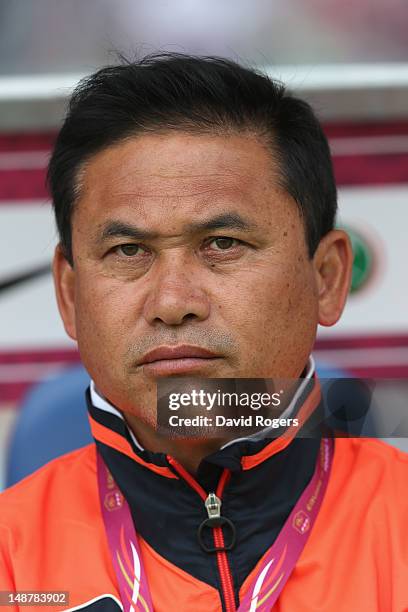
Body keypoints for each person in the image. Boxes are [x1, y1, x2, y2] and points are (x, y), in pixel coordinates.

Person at [0, 53, 406, 612]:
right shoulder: (11, 560)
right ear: (69, 296)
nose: (172, 303)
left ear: (327, 277)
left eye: (222, 244)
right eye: (128, 251)